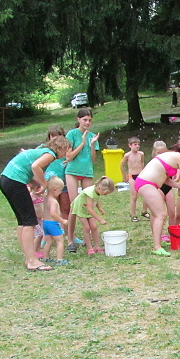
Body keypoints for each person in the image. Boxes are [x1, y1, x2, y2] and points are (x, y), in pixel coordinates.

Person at [0, 136, 72, 271]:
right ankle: (32, 261)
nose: (66, 154)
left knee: (22, 221)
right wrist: (44, 184)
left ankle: (29, 257)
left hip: (6, 179)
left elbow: (27, 169)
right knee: (29, 221)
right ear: (61, 148)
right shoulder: (50, 154)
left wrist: (34, 182)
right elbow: (35, 166)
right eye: (67, 150)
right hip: (15, 181)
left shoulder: (41, 151)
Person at [65, 108, 100, 252]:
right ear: (78, 119)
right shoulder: (72, 134)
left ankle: (89, 239)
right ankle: (70, 239)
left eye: (90, 120)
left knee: (87, 204)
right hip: (72, 172)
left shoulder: (93, 136)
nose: (87, 123)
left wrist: (91, 144)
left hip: (87, 172)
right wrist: (82, 143)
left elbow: (93, 159)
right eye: (85, 120)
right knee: (74, 206)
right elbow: (68, 157)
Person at [69, 176, 116, 255]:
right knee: (87, 227)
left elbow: (96, 199)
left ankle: (97, 246)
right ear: (100, 188)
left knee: (94, 226)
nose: (105, 195)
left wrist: (99, 208)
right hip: (80, 208)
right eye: (105, 193)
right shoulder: (90, 192)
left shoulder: (97, 190)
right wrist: (100, 219)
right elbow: (90, 210)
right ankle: (89, 248)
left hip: (87, 208)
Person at [43, 126, 71, 233]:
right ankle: (49, 233)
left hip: (63, 183)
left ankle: (68, 232)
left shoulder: (65, 149)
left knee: (65, 208)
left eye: (58, 136)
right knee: (50, 209)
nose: (55, 139)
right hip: (50, 183)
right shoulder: (44, 149)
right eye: (52, 136)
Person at [42, 176, 70, 265]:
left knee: (48, 241)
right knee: (60, 240)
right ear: (54, 189)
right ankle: (59, 259)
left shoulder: (45, 198)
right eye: (60, 190)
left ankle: (45, 257)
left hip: (45, 223)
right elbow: (53, 213)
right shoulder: (53, 201)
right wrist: (62, 221)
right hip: (52, 224)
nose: (61, 192)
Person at [120, 136, 145, 221]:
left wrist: (144, 173)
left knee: (146, 194)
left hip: (140, 175)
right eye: (135, 144)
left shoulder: (141, 154)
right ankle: (133, 215)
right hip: (132, 176)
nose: (137, 146)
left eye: (138, 144)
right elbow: (121, 165)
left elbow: (142, 162)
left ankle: (144, 211)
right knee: (134, 196)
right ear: (130, 145)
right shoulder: (127, 155)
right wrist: (125, 176)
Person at [28, 180, 46, 258]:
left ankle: (38, 250)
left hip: (40, 219)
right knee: (38, 235)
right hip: (35, 219)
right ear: (36, 188)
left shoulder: (40, 196)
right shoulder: (32, 197)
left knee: (41, 234)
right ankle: (34, 251)